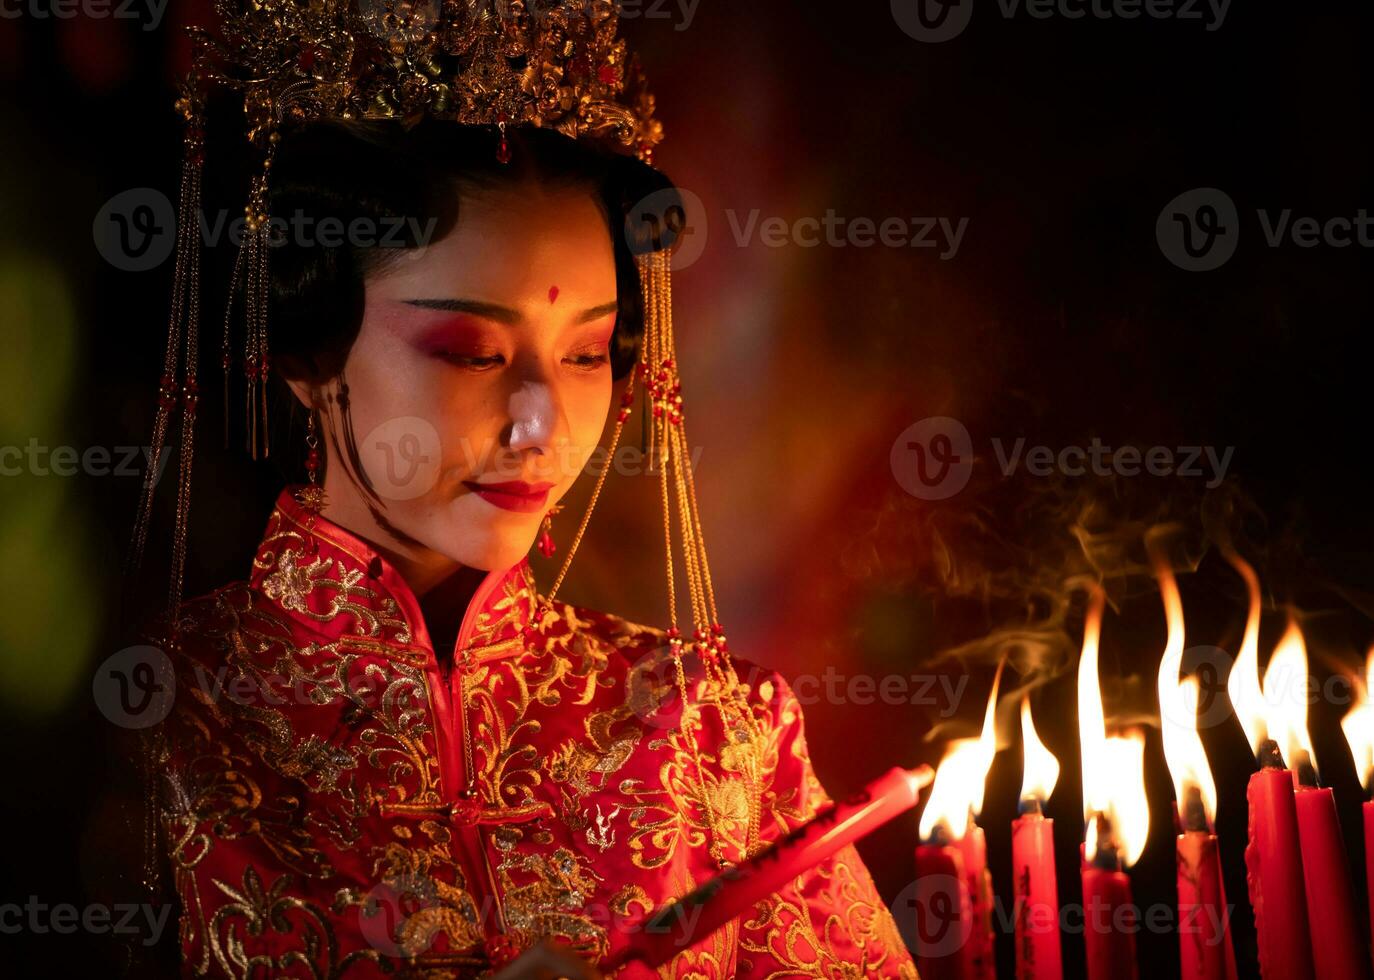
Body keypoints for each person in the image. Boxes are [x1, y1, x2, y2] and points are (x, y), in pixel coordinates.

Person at [121, 3, 920, 977]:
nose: (545, 420)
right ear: (303, 344)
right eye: (471, 351)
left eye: (587, 351)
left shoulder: (717, 731)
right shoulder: (158, 721)